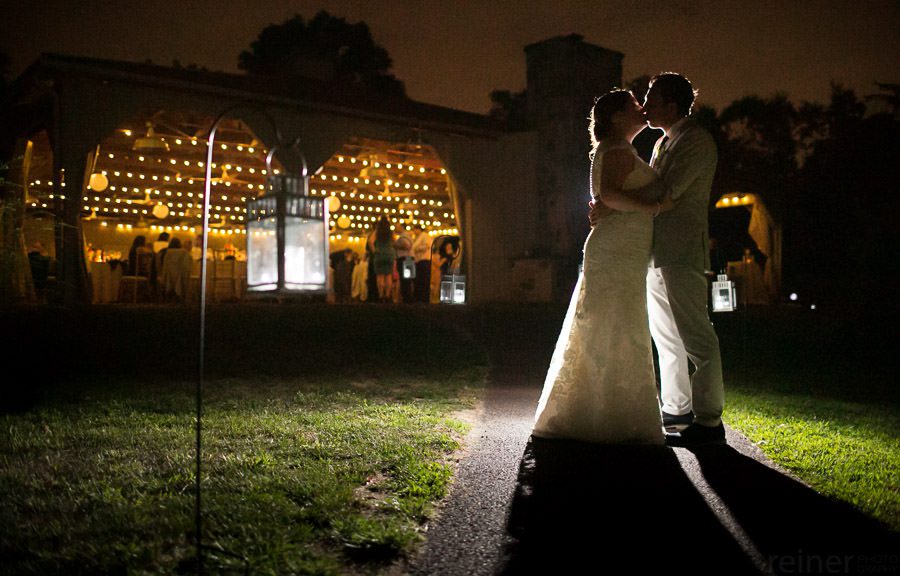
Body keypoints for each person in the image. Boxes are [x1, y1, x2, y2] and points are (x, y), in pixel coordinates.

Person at [533, 89, 674, 444]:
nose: (642, 109)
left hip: (625, 248)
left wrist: (626, 205)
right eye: (634, 106)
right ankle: (604, 414)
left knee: (617, 324)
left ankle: (607, 410)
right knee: (613, 323)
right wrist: (654, 206)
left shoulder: (621, 150)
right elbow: (609, 195)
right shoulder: (616, 150)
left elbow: (610, 199)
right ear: (616, 117)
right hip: (616, 249)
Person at [601, 73, 725, 447]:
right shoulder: (661, 144)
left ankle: (709, 421)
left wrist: (612, 202)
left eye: (652, 99)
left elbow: (665, 190)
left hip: (682, 249)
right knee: (666, 337)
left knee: (696, 335)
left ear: (672, 105)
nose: (646, 105)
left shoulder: (697, 141)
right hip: (654, 250)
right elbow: (650, 189)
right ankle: (677, 408)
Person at [371, 216, 397, 303]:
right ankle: (387, 295)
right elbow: (395, 241)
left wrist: (375, 251)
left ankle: (381, 296)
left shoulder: (377, 232)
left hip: (379, 254)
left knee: (380, 276)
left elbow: (370, 241)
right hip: (389, 254)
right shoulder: (391, 232)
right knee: (388, 276)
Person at [161, 236, 192, 302]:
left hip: (168, 276)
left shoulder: (165, 252)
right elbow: (187, 266)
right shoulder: (184, 253)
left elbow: (163, 266)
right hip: (180, 276)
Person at [411, 225, 433, 303]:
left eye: (414, 229)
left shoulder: (424, 236)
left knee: (424, 280)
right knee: (419, 280)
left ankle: (424, 298)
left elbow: (427, 245)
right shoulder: (417, 238)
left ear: (418, 229)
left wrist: (417, 249)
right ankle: (419, 298)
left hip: (424, 260)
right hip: (418, 261)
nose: (413, 231)